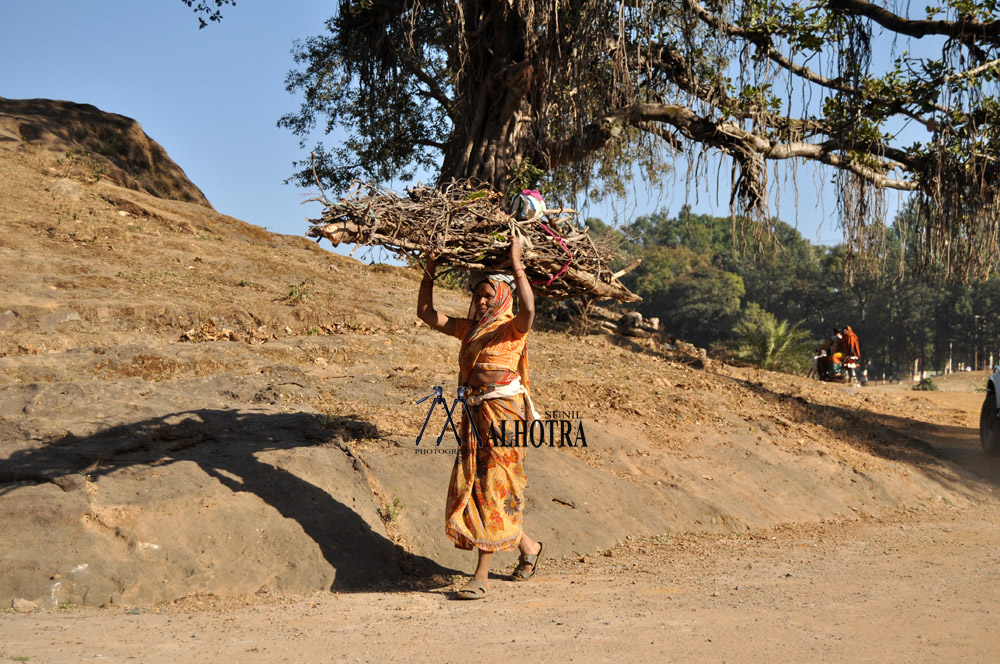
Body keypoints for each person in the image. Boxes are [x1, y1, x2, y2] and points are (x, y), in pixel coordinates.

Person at [416, 237, 544, 600]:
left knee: (494, 487)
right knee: (477, 485)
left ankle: (482, 575)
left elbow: (530, 310)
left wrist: (517, 264)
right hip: (473, 414)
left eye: (489, 295)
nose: (482, 301)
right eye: (479, 296)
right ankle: (530, 549)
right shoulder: (467, 330)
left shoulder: (512, 328)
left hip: (505, 416)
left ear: (503, 297)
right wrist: (431, 267)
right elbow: (425, 313)